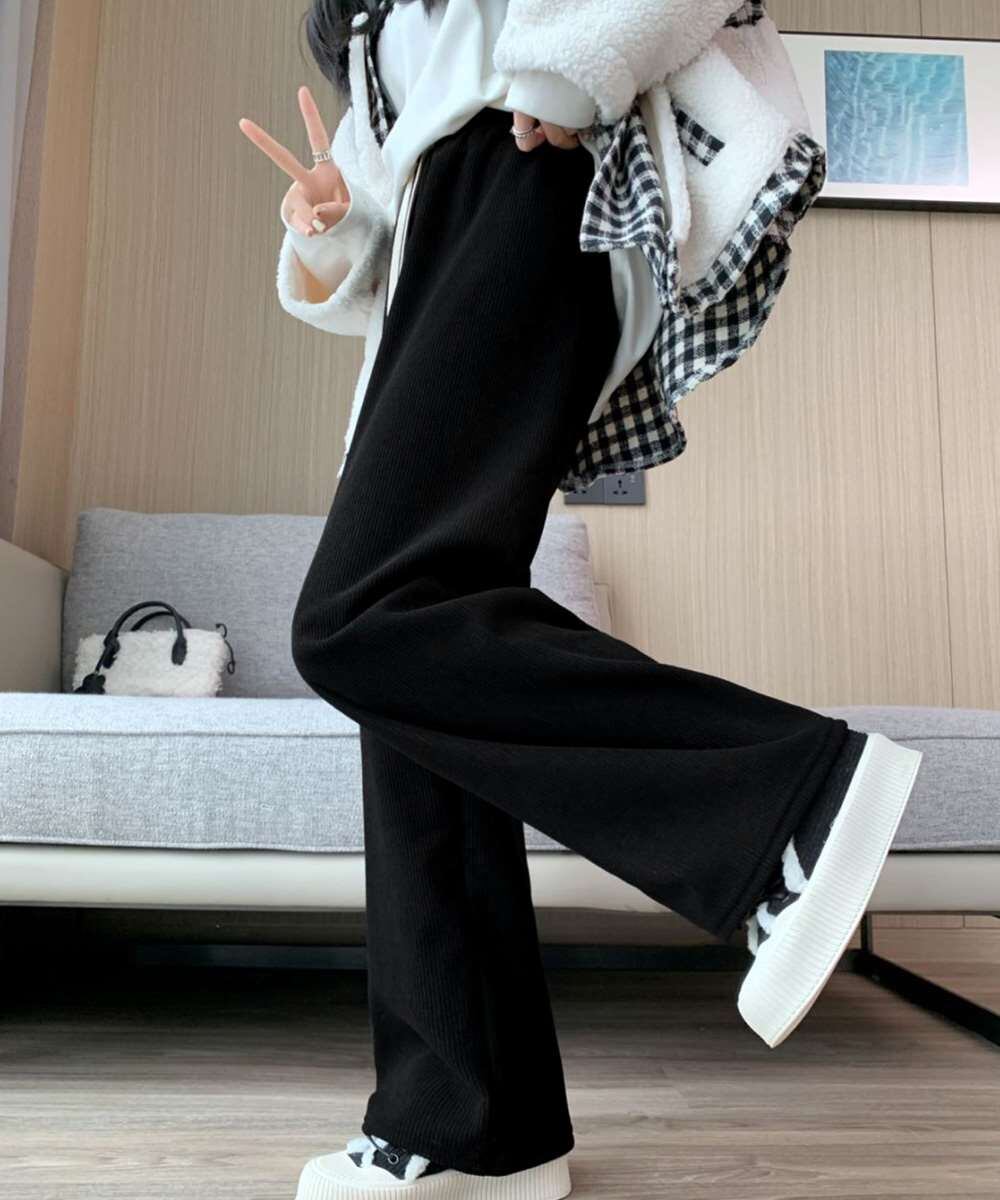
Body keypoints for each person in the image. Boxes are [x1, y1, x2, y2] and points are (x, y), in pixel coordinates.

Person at [238, 2, 924, 1197]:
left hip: (535, 172)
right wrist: (336, 220)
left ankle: (788, 798)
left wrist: (565, 81)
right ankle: (476, 1131)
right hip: (451, 229)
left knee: (361, 616)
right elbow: (386, 224)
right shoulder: (376, 25)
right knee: (418, 670)